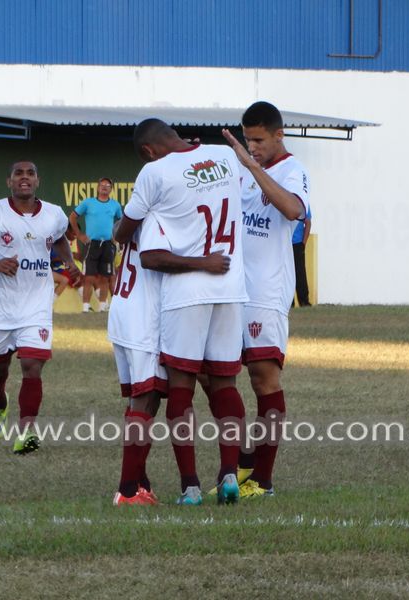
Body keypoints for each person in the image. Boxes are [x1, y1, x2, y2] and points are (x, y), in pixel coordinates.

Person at [115, 119, 248, 506]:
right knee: (225, 386)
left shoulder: (154, 174)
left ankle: (189, 485)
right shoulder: (223, 154)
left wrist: (127, 227)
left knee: (180, 389)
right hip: (231, 285)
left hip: (187, 292)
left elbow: (128, 234)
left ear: (147, 151)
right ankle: (228, 474)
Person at [109, 214, 231, 506]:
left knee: (140, 401)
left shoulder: (140, 212)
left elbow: (120, 234)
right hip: (144, 316)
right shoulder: (161, 215)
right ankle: (127, 492)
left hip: (125, 311)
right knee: (146, 400)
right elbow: (153, 259)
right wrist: (205, 264)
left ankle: (139, 482)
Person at [220, 102, 309, 499]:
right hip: (231, 289)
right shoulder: (238, 168)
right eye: (247, 139)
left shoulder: (294, 170)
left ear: (278, 135)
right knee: (214, 374)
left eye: (258, 140)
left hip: (266, 293)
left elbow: (294, 210)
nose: (251, 147)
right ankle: (242, 462)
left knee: (263, 379)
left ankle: (263, 478)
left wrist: (253, 168)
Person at [0, 161, 80, 455]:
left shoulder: (53, 214)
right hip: (0, 309)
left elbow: (60, 239)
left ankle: (26, 433)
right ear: (9, 181)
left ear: (38, 180)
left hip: (36, 307)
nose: (24, 178)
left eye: (30, 174)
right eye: (19, 174)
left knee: (32, 365)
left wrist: (69, 262)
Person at [70, 177, 122, 312]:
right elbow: (73, 217)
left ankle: (102, 306)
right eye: (102, 185)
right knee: (89, 276)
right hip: (91, 244)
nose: (104, 187)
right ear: (98, 188)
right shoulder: (88, 203)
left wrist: (116, 238)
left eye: (108, 185)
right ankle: (86, 307)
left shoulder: (115, 205)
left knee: (105, 277)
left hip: (108, 244)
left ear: (111, 189)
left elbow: (121, 222)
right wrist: (79, 235)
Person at [292, 204, 312, 307]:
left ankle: (304, 301)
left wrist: (303, 243)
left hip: (297, 243)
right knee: (286, 275)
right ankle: (289, 303)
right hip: (284, 244)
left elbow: (307, 223)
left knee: (300, 274)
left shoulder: (303, 202)